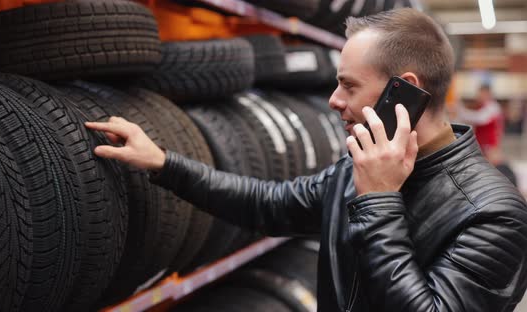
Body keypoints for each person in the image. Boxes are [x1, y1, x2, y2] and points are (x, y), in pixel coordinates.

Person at [85, 8, 527, 312]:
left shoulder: (494, 215)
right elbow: (266, 204)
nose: (334, 101)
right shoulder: (359, 168)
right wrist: (164, 162)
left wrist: (379, 200)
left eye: (348, 86)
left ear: (404, 89)